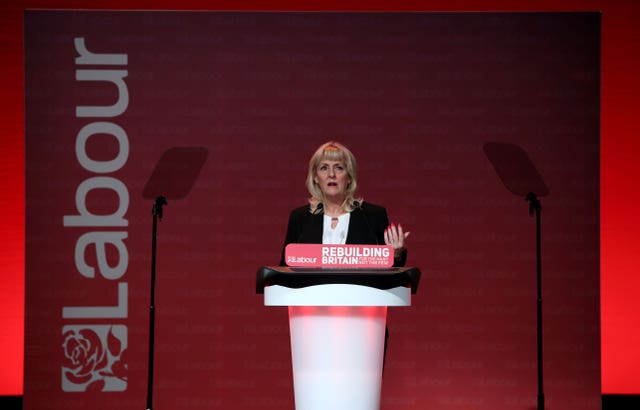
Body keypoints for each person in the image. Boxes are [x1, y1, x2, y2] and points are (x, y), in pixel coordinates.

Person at [280, 141, 409, 266]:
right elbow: (285, 268)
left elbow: (389, 273)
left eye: (339, 168)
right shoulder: (300, 217)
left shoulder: (372, 216)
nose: (331, 174)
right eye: (324, 168)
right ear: (315, 177)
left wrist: (396, 255)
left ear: (349, 177)